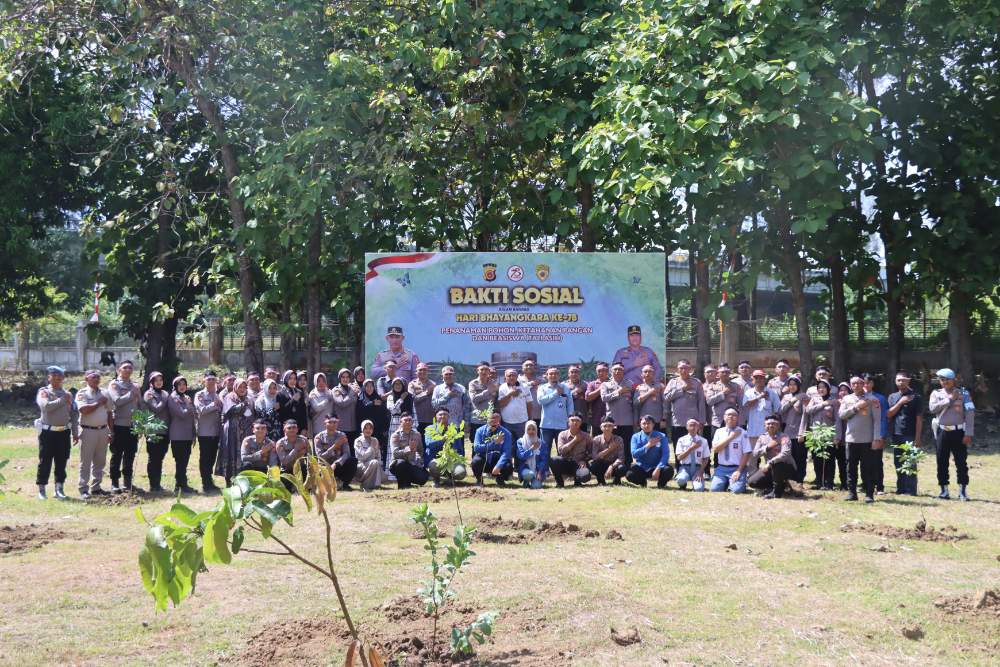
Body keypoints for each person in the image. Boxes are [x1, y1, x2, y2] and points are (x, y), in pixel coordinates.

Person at [928, 368, 974, 501]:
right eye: (942, 380)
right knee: (941, 461)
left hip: (959, 432)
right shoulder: (936, 393)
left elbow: (970, 413)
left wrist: (968, 433)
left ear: (954, 380)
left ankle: (962, 491)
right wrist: (949, 400)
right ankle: (944, 490)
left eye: (947, 379)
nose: (944, 382)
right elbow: (932, 409)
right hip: (942, 431)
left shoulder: (964, 393)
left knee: (961, 462)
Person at [35, 366, 78, 500]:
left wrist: (75, 432)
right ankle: (42, 490)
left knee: (62, 461)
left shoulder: (68, 394)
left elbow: (74, 413)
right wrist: (62, 400)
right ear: (49, 377)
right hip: (48, 433)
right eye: (54, 375)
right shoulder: (44, 392)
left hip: (63, 432)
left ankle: (59, 489)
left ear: (63, 378)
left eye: (60, 376)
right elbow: (46, 407)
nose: (57, 378)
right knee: (45, 461)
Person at [838, 375, 883, 503]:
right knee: (851, 467)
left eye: (859, 383)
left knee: (867, 468)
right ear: (850, 385)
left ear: (864, 384)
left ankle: (869, 494)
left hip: (867, 440)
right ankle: (852, 493)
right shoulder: (847, 399)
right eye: (853, 383)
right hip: (851, 439)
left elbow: (877, 420)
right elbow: (841, 415)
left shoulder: (872, 399)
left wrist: (876, 438)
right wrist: (856, 407)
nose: (856, 385)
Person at [75, 369, 112, 498]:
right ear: (86, 379)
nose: (96, 379)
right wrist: (98, 403)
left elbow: (109, 412)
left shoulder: (105, 393)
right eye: (93, 377)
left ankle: (96, 487)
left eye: (98, 377)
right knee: (85, 461)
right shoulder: (82, 393)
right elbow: (83, 410)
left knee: (100, 461)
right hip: (88, 431)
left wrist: (111, 431)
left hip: (103, 430)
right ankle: (83, 489)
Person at [886, 371, 923, 496]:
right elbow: (889, 414)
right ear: (895, 381)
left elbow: (919, 418)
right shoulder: (892, 397)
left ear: (909, 381)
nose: (901, 382)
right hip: (896, 434)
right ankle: (901, 488)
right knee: (898, 462)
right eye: (898, 380)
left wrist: (918, 437)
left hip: (910, 434)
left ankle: (911, 490)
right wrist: (901, 402)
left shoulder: (916, 397)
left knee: (910, 462)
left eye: (903, 380)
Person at [799, 379, 841, 490]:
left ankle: (829, 483)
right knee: (817, 459)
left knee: (829, 459)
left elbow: (838, 419)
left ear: (828, 389)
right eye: (819, 388)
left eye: (823, 387)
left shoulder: (834, 401)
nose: (821, 389)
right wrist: (822, 404)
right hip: (816, 434)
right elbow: (808, 410)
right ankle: (819, 482)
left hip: (829, 434)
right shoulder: (814, 399)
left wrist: (837, 436)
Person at [218, 378, 256, 486]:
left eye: (244, 387)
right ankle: (229, 481)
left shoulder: (249, 399)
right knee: (231, 453)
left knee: (244, 453)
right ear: (235, 387)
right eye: (240, 387)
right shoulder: (230, 397)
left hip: (246, 431)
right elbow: (231, 410)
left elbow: (252, 413)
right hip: (232, 431)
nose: (242, 389)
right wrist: (243, 404)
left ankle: (244, 481)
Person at [748, 415, 796, 499]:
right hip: (770, 468)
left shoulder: (784, 437)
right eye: (768, 424)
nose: (771, 425)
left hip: (786, 467)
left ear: (778, 425)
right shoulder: (762, 438)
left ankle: (776, 493)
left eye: (773, 423)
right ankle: (781, 485)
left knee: (777, 464)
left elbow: (785, 453)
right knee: (752, 482)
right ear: (764, 426)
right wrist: (767, 447)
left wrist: (770, 463)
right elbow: (755, 454)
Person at [741, 369, 780, 473]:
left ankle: (772, 477)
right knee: (753, 456)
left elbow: (777, 410)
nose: (759, 380)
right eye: (756, 378)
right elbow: (746, 405)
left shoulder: (772, 393)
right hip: (753, 431)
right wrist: (760, 397)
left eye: (761, 378)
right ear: (753, 380)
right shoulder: (748, 392)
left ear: (765, 379)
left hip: (769, 432)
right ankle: (752, 477)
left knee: (771, 455)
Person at [663, 359, 707, 450]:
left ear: (690, 369)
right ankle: (679, 460)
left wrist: (702, 420)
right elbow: (666, 397)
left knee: (693, 447)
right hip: (677, 421)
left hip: (693, 421)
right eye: (681, 368)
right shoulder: (672, 382)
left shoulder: (696, 382)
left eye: (686, 368)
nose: (683, 370)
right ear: (677, 369)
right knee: (678, 447)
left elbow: (701, 402)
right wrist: (682, 389)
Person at [166, 376, 197, 495]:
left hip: (187, 435)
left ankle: (183, 484)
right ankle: (179, 485)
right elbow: (182, 414)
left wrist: (193, 434)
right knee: (180, 461)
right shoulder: (172, 398)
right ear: (175, 386)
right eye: (179, 384)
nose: (182, 386)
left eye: (184, 384)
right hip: (178, 435)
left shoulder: (186, 397)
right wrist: (189, 405)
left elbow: (192, 416)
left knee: (185, 461)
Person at [710, 408, 752, 493]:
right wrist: (731, 437)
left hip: (737, 467)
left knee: (737, 490)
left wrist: (739, 470)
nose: (731, 417)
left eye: (734, 415)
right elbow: (716, 449)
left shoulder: (743, 433)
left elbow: (747, 453)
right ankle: (726, 482)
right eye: (728, 414)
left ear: (738, 418)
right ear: (724, 417)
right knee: (715, 489)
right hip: (722, 468)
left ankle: (736, 482)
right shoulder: (719, 432)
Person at [194, 372, 223, 493]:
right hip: (205, 432)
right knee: (205, 458)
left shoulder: (217, 395)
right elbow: (201, 410)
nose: (211, 381)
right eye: (209, 379)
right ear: (204, 381)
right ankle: (205, 483)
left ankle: (209, 481)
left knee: (212, 458)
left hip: (215, 432)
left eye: (213, 379)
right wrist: (214, 404)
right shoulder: (200, 395)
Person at [143, 371, 171, 493]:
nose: (159, 382)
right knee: (153, 458)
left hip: (164, 431)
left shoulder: (164, 393)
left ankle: (157, 484)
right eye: (156, 380)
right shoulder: (149, 394)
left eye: (160, 380)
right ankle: (153, 485)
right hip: (153, 431)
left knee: (160, 458)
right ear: (151, 383)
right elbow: (156, 408)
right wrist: (165, 399)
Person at [626, 415, 673, 488]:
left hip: (656, 466)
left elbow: (665, 454)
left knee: (669, 470)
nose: (646, 425)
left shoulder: (661, 436)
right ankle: (642, 482)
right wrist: (648, 445)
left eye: (648, 423)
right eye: (644, 423)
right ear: (640, 424)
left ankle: (661, 484)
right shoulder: (635, 437)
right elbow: (634, 454)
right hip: (642, 467)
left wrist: (658, 468)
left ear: (653, 424)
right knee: (629, 474)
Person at [424, 408, 467, 485]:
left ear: (449, 416)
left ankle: (450, 478)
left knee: (461, 473)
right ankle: (436, 480)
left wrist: (460, 461)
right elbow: (429, 444)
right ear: (436, 417)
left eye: (445, 414)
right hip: (436, 459)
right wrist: (442, 440)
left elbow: (459, 448)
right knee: (433, 466)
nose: (443, 416)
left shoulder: (454, 429)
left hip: (451, 459)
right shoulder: (430, 428)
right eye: (440, 414)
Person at [601, 363, 634, 463]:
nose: (617, 371)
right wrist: (619, 392)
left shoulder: (630, 384)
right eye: (615, 369)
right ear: (611, 371)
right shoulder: (605, 384)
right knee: (612, 445)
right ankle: (613, 465)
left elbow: (634, 401)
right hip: (612, 421)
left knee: (627, 444)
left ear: (623, 371)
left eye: (620, 369)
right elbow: (604, 398)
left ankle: (627, 465)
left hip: (627, 420)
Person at [471, 410, 514, 486]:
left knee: (508, 466)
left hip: (498, 459)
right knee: (475, 462)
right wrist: (494, 443)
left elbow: (506, 452)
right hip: (484, 459)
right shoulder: (479, 431)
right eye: (491, 419)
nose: (493, 422)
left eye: (496, 420)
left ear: (499, 421)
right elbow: (476, 448)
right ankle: (479, 479)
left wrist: (498, 466)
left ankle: (500, 479)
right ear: (487, 420)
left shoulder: (506, 433)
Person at [863, 374, 890, 494]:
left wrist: (881, 435)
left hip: (876, 434)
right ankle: (866, 485)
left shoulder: (880, 398)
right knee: (864, 462)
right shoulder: (857, 397)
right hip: (862, 435)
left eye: (868, 382)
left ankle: (879, 486)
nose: (865, 385)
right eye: (863, 383)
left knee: (877, 461)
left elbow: (883, 418)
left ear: (872, 384)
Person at [538, 367, 574, 456]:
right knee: (545, 451)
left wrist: (570, 419)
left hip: (562, 425)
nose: (553, 375)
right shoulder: (542, 388)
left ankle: (561, 466)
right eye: (551, 374)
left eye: (556, 374)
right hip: (546, 425)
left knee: (562, 451)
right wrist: (556, 393)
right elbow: (541, 401)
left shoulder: (565, 388)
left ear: (559, 375)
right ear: (547, 376)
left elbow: (570, 405)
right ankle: (545, 466)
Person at [315, 415, 358, 490]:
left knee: (353, 461)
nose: (332, 424)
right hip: (325, 465)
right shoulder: (319, 437)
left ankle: (344, 485)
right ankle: (331, 484)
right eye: (330, 422)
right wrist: (334, 446)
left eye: (335, 422)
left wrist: (336, 463)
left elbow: (346, 454)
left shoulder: (342, 435)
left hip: (338, 465)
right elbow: (320, 456)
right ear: (325, 423)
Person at [549, 413, 592, 487]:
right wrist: (574, 441)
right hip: (566, 463)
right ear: (568, 422)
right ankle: (559, 483)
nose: (575, 422)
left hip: (579, 464)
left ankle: (578, 481)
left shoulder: (586, 436)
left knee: (585, 475)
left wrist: (584, 461)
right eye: (572, 420)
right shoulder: (562, 434)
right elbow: (561, 451)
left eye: (577, 421)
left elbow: (591, 453)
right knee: (553, 460)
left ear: (581, 423)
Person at [706, 362, 742, 446]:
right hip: (718, 421)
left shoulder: (736, 386)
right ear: (718, 374)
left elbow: (740, 403)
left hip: (731, 421)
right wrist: (722, 394)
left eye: (727, 372)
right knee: (717, 445)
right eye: (722, 372)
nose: (725, 374)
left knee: (732, 444)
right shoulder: (712, 386)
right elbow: (709, 401)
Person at [779, 376, 807, 483]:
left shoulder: (804, 396)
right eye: (790, 384)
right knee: (789, 457)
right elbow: (780, 410)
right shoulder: (786, 397)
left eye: (794, 384)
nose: (792, 386)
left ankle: (799, 480)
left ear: (798, 385)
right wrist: (792, 401)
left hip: (799, 432)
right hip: (787, 431)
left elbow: (805, 415)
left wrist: (802, 433)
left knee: (800, 457)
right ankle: (790, 479)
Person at [388, 414, 428, 488]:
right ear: (400, 422)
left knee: (423, 478)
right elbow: (395, 453)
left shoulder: (417, 435)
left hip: (412, 463)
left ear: (412, 422)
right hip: (397, 464)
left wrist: (418, 459)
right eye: (405, 420)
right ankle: (402, 485)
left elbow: (420, 450)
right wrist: (408, 449)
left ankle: (408, 482)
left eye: (410, 420)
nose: (408, 422)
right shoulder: (395, 435)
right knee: (401, 464)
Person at [357, 378, 389, 468]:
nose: (369, 388)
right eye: (367, 386)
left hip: (378, 429)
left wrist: (385, 428)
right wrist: (372, 403)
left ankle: (379, 467)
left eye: (371, 386)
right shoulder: (361, 398)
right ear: (364, 387)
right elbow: (360, 411)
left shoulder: (377, 397)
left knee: (377, 449)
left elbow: (384, 413)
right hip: (365, 429)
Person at [431, 366, 472, 435]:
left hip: (457, 424)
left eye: (450, 374)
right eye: (446, 374)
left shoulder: (461, 388)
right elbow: (434, 405)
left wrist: (467, 423)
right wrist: (447, 395)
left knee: (458, 442)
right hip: (441, 425)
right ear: (442, 376)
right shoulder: (438, 389)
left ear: (454, 375)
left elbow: (467, 407)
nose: (448, 376)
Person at [588, 417, 627, 485]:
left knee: (622, 468)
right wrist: (609, 449)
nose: (607, 428)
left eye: (610, 426)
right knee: (593, 466)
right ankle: (601, 481)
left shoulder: (619, 439)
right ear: (601, 427)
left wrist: (611, 466)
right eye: (605, 426)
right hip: (602, 465)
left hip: (614, 464)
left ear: (613, 427)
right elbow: (595, 457)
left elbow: (621, 458)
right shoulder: (596, 439)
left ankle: (617, 480)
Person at [497, 368, 533, 441]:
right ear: (505, 377)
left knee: (523, 443)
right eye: (509, 376)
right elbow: (500, 404)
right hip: (507, 422)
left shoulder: (525, 386)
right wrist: (510, 394)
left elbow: (529, 403)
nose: (512, 377)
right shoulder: (502, 387)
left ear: (517, 376)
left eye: (514, 375)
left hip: (522, 421)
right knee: (509, 444)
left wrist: (530, 418)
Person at [674, 418, 710, 491]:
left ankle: (696, 484)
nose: (693, 427)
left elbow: (706, 458)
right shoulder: (681, 440)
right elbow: (679, 458)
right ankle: (683, 484)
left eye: (695, 425)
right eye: (691, 425)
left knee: (699, 489)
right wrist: (692, 448)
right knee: (681, 480)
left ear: (698, 427)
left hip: (697, 468)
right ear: (687, 427)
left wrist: (700, 472)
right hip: (685, 467)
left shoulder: (703, 441)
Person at [633, 365, 666, 434]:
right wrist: (649, 393)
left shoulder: (660, 386)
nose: (647, 373)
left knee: (658, 440)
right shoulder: (639, 387)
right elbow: (635, 404)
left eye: (650, 371)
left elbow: (665, 404)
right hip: (644, 421)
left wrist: (664, 419)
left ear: (653, 374)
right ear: (642, 374)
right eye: (645, 371)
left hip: (657, 421)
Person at [332, 368, 361, 446]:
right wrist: (351, 393)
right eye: (343, 377)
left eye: (347, 377)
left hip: (353, 426)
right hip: (342, 427)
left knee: (352, 450)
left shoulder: (352, 389)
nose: (345, 379)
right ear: (339, 378)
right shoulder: (336, 390)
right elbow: (342, 403)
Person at [353, 420, 384, 491]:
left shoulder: (375, 440)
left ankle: (376, 485)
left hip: (374, 464)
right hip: (361, 466)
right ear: (362, 429)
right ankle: (366, 485)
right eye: (366, 428)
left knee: (376, 463)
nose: (368, 430)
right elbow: (362, 457)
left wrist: (379, 465)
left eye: (370, 428)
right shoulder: (358, 441)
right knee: (374, 462)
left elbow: (378, 455)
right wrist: (371, 447)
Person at [515, 420, 547, 488]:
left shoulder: (541, 443)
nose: (531, 431)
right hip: (525, 469)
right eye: (529, 429)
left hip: (537, 470)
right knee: (529, 474)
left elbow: (543, 460)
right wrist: (531, 449)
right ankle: (526, 481)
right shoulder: (520, 442)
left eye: (533, 429)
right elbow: (521, 456)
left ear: (536, 430)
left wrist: (539, 472)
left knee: (536, 486)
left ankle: (534, 481)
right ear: (525, 430)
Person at [409, 362, 437, 437]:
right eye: (420, 370)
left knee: (430, 442)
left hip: (431, 419)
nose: (422, 372)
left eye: (424, 370)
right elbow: (412, 400)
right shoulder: (412, 384)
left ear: (428, 371)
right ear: (416, 372)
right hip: (417, 420)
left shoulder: (433, 384)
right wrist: (426, 393)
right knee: (418, 442)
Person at [468, 363, 498, 432]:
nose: (484, 372)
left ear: (489, 371)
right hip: (477, 420)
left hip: (490, 420)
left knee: (490, 438)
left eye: (486, 369)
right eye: (482, 369)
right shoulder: (473, 383)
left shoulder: (493, 383)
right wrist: (488, 391)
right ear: (477, 371)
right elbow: (474, 399)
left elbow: (496, 400)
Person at [278, 370, 308, 436]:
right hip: (287, 428)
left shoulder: (299, 392)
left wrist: (304, 428)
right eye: (290, 378)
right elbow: (282, 411)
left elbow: (303, 412)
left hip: (299, 426)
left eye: (294, 379)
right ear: (286, 379)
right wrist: (293, 400)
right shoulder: (280, 393)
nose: (292, 381)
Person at [254, 378, 284, 443]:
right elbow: (262, 417)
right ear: (265, 388)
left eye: (274, 388)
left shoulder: (277, 398)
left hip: (277, 430)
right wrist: (273, 409)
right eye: (269, 388)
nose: (272, 390)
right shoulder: (261, 401)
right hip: (265, 431)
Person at [584, 363, 611, 436]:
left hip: (612, 420)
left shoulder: (613, 383)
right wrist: (601, 388)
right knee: (597, 441)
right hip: (597, 420)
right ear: (596, 372)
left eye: (603, 370)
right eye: (599, 371)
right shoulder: (592, 384)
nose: (601, 373)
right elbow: (587, 398)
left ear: (608, 371)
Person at [386, 377, 415, 441]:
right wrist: (401, 399)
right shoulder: (390, 397)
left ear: (403, 385)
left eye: (400, 384)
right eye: (396, 384)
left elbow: (413, 412)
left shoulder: (409, 396)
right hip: (395, 423)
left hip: (408, 423)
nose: (398, 386)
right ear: (393, 386)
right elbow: (393, 411)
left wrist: (415, 425)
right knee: (394, 442)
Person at [307, 372, 335, 438]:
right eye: (318, 381)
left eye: (323, 381)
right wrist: (327, 400)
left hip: (330, 427)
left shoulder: (330, 392)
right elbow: (317, 408)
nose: (321, 383)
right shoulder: (313, 394)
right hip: (318, 427)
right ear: (315, 382)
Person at [562, 366, 588, 431]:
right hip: (567, 418)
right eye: (572, 372)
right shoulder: (563, 385)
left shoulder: (585, 384)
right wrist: (572, 394)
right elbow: (561, 400)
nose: (574, 374)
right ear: (568, 374)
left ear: (579, 374)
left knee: (582, 436)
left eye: (576, 372)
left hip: (582, 418)